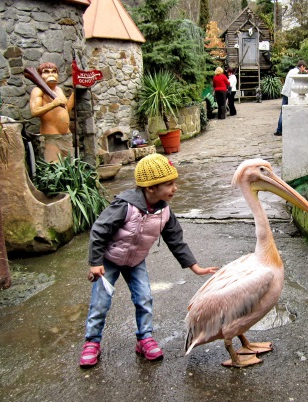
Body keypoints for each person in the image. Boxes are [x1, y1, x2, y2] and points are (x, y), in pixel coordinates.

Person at [79, 154, 219, 368]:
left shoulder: (164, 211)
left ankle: (144, 338)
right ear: (151, 188)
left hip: (136, 262)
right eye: (169, 184)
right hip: (108, 261)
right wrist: (95, 262)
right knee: (101, 302)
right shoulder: (124, 206)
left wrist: (195, 267)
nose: (175, 188)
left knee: (144, 298)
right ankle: (92, 342)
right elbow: (99, 230)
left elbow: (176, 240)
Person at [29, 62, 75, 162]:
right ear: (40, 76)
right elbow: (34, 111)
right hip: (51, 137)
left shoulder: (59, 90)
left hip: (66, 135)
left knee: (70, 169)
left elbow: (66, 109)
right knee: (54, 167)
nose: (51, 74)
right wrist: (53, 104)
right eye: (46, 72)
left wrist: (74, 93)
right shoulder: (38, 90)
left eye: (54, 71)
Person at [274, 59, 307, 136]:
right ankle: (288, 129)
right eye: (304, 68)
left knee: (283, 111)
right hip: (291, 94)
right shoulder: (297, 73)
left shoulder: (291, 71)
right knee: (291, 111)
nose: (304, 70)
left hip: (285, 92)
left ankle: (279, 129)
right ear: (301, 66)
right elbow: (295, 85)